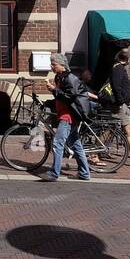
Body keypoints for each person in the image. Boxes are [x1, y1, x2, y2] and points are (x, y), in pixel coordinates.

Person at [43, 54, 91, 182]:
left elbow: (70, 97)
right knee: (76, 145)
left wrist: (54, 90)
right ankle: (84, 173)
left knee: (58, 143)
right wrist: (48, 102)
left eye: (54, 64)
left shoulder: (70, 78)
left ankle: (54, 173)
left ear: (61, 65)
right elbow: (60, 97)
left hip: (68, 116)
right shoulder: (59, 77)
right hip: (65, 114)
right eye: (51, 64)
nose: (51, 66)